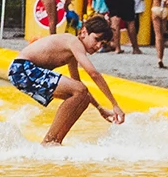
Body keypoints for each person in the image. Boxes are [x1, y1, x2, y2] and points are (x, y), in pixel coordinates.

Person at [7, 14, 126, 146]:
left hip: (24, 72)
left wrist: (100, 109)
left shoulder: (73, 52)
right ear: (84, 32)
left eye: (102, 44)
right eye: (96, 39)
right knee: (80, 91)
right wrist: (114, 104)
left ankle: (56, 141)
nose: (98, 46)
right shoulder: (73, 42)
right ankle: (48, 141)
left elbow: (79, 86)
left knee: (83, 97)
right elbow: (93, 73)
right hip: (22, 69)